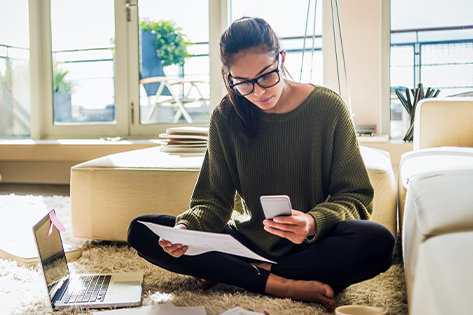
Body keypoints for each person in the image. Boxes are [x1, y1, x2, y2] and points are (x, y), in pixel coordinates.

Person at [127, 17, 395, 312]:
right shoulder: (225, 117)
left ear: (281, 59)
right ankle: (279, 283)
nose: (258, 92)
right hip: (245, 243)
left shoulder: (328, 109)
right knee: (142, 229)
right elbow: (213, 201)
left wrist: (312, 222)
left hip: (310, 248)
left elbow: (356, 196)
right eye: (242, 83)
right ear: (229, 77)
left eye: (267, 76)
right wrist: (187, 228)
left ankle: (243, 273)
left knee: (378, 242)